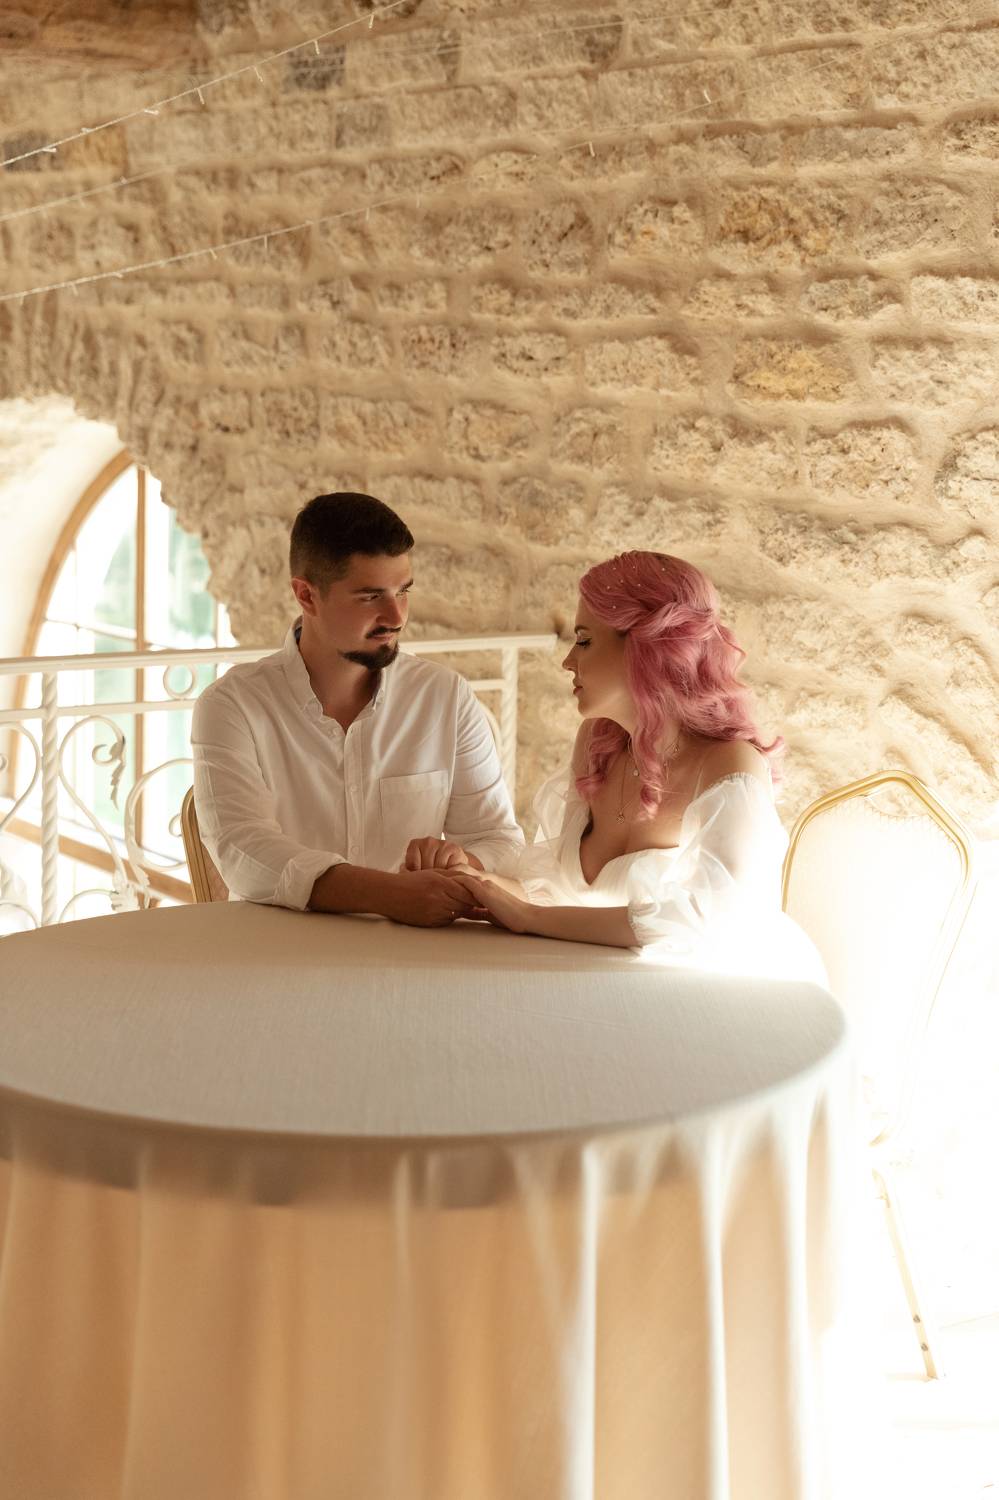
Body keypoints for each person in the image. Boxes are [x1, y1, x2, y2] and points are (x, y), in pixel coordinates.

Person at [455, 551, 823, 978]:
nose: (568, 661)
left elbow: (710, 918)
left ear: (644, 650)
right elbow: (554, 892)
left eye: (584, 640)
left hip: (687, 995)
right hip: (578, 979)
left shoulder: (729, 766)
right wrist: (470, 876)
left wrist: (531, 919)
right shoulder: (597, 744)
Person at [191, 492, 523, 926]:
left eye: (403, 591)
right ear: (306, 596)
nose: (396, 616)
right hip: (278, 953)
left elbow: (499, 840)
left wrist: (461, 860)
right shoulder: (232, 705)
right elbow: (244, 851)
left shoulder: (446, 697)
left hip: (413, 954)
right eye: (370, 597)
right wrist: (390, 895)